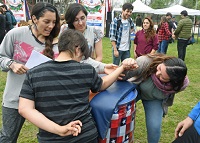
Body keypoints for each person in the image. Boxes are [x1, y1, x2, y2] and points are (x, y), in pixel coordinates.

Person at [18, 29, 138, 143]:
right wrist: (122, 67)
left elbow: (24, 109)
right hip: (85, 135)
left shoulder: (33, 73)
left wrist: (58, 129)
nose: (81, 60)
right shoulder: (86, 70)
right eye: (82, 56)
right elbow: (103, 84)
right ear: (77, 49)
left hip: (50, 138)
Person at [0, 2, 61, 143]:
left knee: (51, 137)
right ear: (34, 19)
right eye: (46, 21)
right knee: (7, 138)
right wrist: (11, 64)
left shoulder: (57, 42)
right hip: (14, 99)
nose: (51, 26)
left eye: (54, 22)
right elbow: (1, 56)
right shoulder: (15, 34)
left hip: (45, 100)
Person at [121, 53, 189, 143]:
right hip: (134, 90)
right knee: (120, 114)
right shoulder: (144, 62)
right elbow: (120, 76)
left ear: (173, 81)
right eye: (160, 68)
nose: (157, 73)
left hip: (153, 99)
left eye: (163, 78)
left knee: (154, 127)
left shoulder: (180, 85)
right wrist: (125, 66)